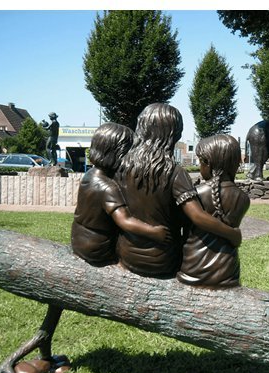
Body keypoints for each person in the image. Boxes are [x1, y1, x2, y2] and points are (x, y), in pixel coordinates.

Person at [117, 103, 242, 278]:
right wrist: (232, 234)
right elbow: (197, 216)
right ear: (173, 135)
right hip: (162, 261)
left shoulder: (121, 166)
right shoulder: (174, 172)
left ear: (142, 128)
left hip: (125, 255)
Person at [71, 123, 170, 266]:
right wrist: (154, 232)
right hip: (96, 247)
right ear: (117, 154)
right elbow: (125, 220)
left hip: (79, 237)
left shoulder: (89, 175)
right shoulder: (108, 187)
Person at [177, 135, 250, 287]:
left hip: (193, 270)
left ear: (208, 163)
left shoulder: (194, 194)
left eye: (200, 161)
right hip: (228, 271)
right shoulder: (243, 198)